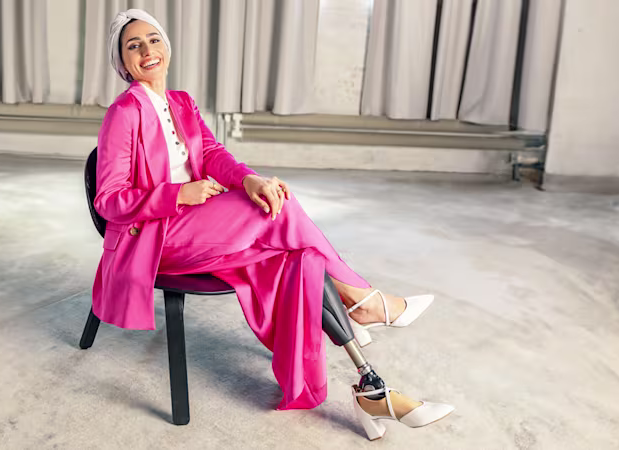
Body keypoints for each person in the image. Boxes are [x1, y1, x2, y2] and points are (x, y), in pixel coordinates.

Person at [92, 9, 454, 440]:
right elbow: (108, 201)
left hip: (201, 227)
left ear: (166, 47)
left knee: (300, 258)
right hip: (158, 238)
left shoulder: (181, 102)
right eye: (133, 45)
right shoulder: (123, 112)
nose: (147, 50)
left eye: (153, 40)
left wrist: (250, 179)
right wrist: (179, 194)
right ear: (122, 62)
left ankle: (370, 385)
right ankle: (365, 301)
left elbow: (213, 155)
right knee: (277, 207)